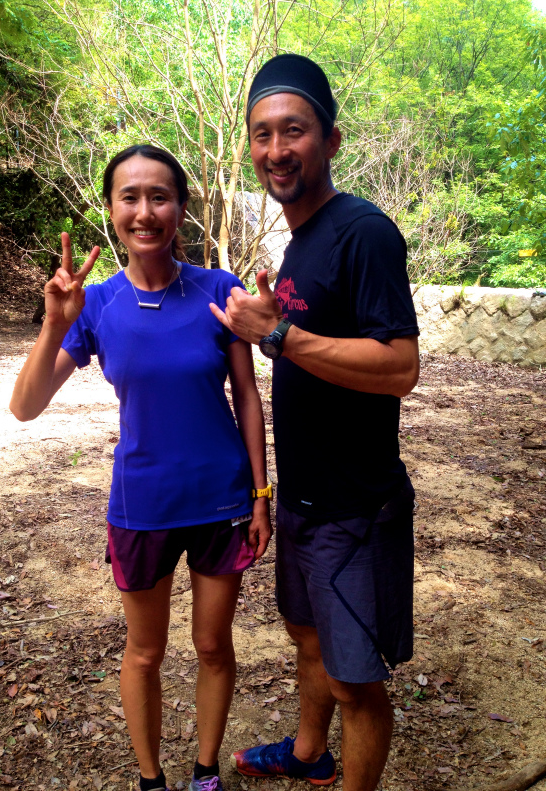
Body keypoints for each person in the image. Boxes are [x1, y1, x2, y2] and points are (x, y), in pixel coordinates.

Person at [10, 144, 272, 791]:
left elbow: (246, 395)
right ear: (111, 209)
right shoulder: (94, 305)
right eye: (131, 197)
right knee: (145, 652)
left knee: (213, 646)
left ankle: (205, 771)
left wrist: (262, 492)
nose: (146, 211)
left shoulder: (220, 291)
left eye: (160, 196)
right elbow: (25, 408)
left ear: (181, 209)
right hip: (142, 506)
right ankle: (152, 779)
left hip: (222, 500)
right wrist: (53, 325)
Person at [210, 55, 420, 791]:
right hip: (302, 502)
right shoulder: (300, 244)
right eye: (262, 134)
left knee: (357, 682)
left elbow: (399, 368)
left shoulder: (364, 232)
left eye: (293, 130)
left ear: (330, 140)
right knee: (307, 639)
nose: (276, 149)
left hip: (356, 509)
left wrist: (280, 338)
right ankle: (309, 756)